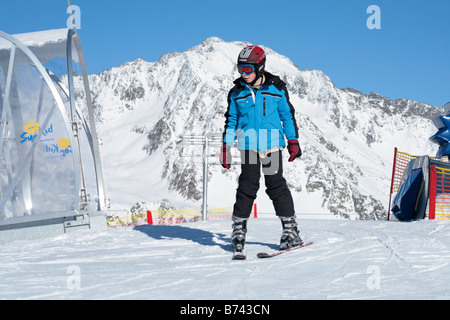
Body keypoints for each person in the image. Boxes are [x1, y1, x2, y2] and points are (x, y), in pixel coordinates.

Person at [220, 45, 303, 254]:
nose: (243, 74)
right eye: (240, 69)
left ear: (260, 67)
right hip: (248, 146)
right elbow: (231, 121)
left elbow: (287, 116)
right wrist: (225, 146)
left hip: (272, 146)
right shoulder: (237, 92)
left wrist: (293, 140)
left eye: (247, 69)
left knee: (276, 186)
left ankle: (290, 231)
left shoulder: (277, 88)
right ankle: (238, 230)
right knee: (247, 187)